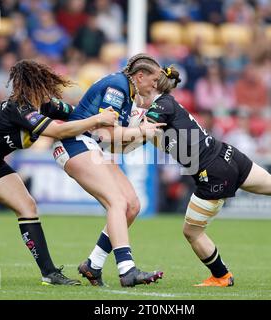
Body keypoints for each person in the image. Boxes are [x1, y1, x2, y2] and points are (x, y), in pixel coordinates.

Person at [82, 65, 271, 287]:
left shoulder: (158, 108)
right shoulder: (166, 108)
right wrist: (107, 142)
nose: (135, 97)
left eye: (140, 92)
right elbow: (132, 141)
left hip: (212, 172)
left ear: (151, 87)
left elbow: (136, 133)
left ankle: (221, 276)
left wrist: (104, 130)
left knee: (192, 231)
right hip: (228, 155)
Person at [0, 59, 118, 285]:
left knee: (28, 206)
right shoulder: (20, 106)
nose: (49, 92)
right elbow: (57, 131)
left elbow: (78, 116)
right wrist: (98, 119)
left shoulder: (48, 105)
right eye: (43, 85)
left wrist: (105, 118)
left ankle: (49, 274)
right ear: (33, 86)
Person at [52, 53, 165, 287]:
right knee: (117, 202)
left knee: (132, 205)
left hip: (89, 144)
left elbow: (113, 142)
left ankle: (93, 264)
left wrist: (139, 134)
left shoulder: (127, 91)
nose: (155, 87)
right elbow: (106, 133)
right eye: (154, 81)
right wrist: (143, 132)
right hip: (74, 142)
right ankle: (127, 270)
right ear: (140, 76)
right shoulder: (118, 87)